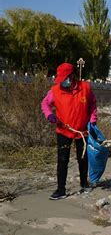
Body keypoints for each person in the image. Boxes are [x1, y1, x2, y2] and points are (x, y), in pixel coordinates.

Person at [41, 63, 97, 200]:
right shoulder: (55, 91)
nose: (62, 82)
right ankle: (61, 190)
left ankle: (84, 183)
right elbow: (45, 104)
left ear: (72, 76)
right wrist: (49, 115)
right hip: (63, 130)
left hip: (81, 131)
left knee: (83, 158)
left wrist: (93, 120)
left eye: (64, 78)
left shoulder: (85, 88)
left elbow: (93, 104)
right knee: (62, 159)